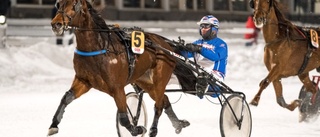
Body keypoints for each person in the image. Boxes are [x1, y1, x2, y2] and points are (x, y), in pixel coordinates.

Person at [182, 15, 228, 99]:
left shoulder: (221, 44)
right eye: (201, 26)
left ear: (214, 29)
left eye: (206, 26)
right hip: (199, 72)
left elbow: (215, 56)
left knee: (202, 77)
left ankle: (205, 87)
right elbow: (186, 55)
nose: (203, 28)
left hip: (215, 75)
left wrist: (199, 49)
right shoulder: (197, 42)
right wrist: (180, 49)